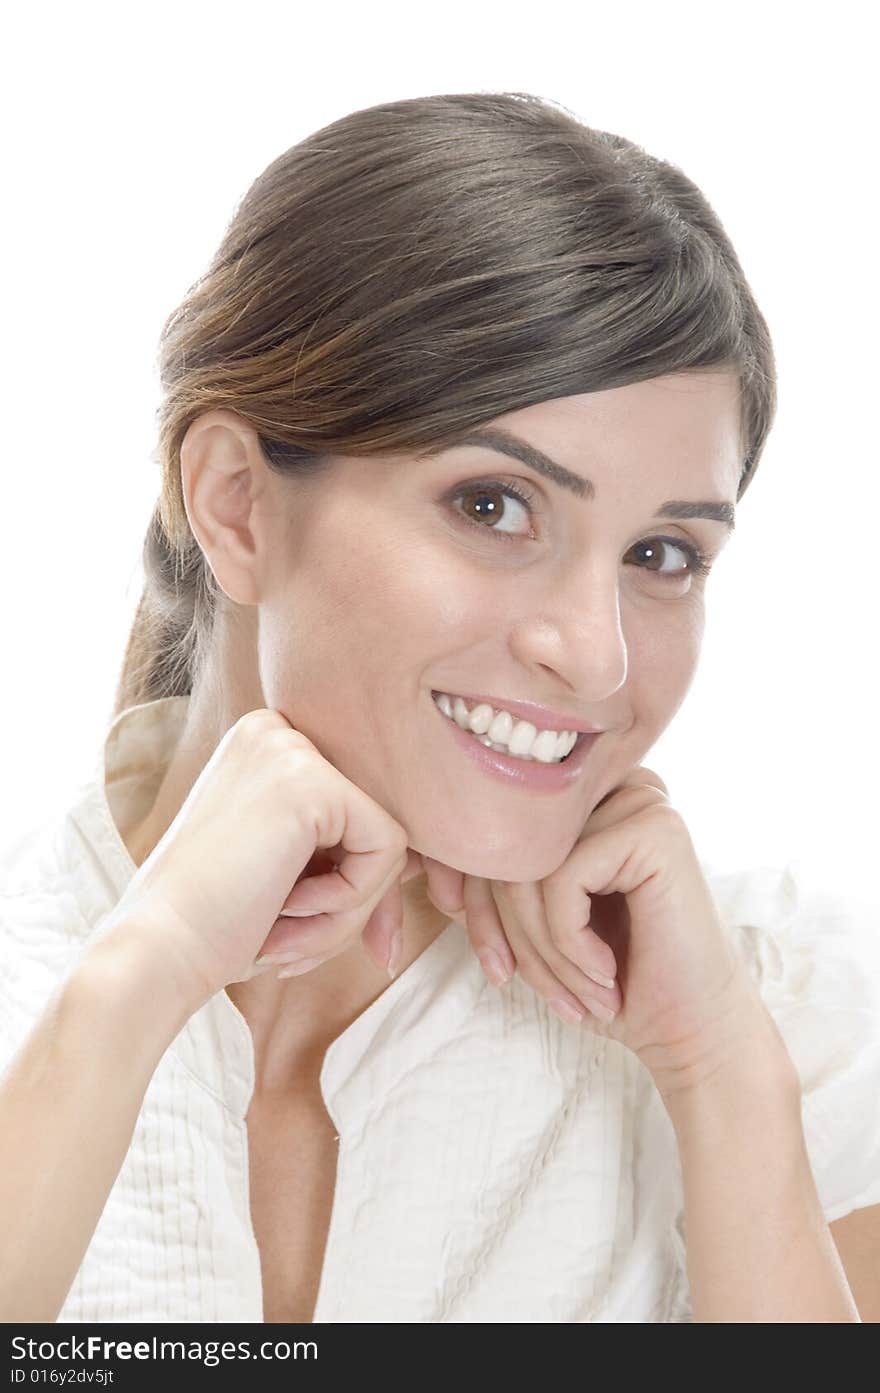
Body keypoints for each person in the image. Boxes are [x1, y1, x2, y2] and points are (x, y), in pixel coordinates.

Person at [1, 90, 878, 1325]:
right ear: (238, 505)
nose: (594, 656)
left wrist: (723, 1076)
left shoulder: (776, 1017)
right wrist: (134, 978)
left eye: (662, 554)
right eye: (493, 506)